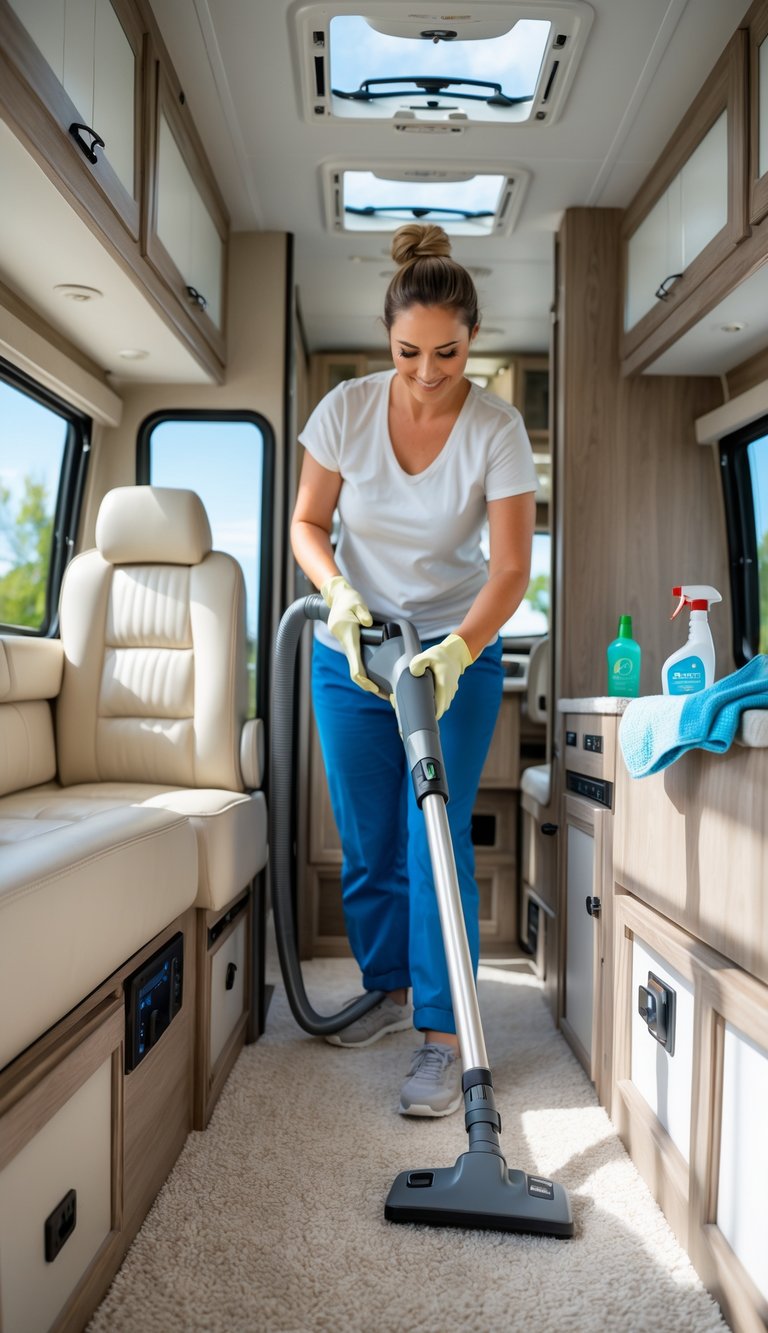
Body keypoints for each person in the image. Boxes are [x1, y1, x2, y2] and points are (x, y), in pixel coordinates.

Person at [291, 222, 537, 1117]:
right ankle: (390, 989)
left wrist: (461, 649)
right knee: (368, 842)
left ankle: (443, 1036)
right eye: (408, 352)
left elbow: (511, 568)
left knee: (433, 835)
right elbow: (307, 525)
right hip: (353, 648)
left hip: (454, 651)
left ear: (473, 338)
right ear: (386, 337)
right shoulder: (346, 411)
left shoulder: (497, 428)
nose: (427, 371)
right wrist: (338, 595)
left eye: (446, 351)